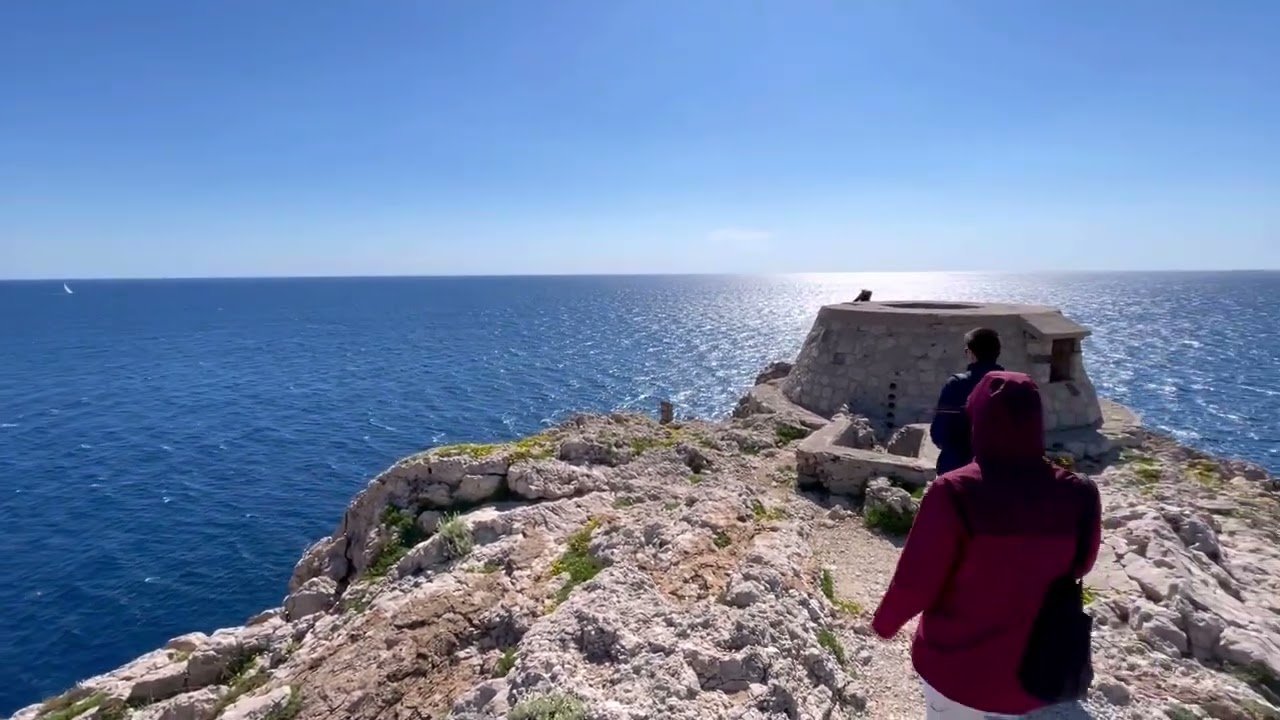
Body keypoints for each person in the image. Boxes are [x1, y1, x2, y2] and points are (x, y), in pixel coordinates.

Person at [870, 371, 1103, 719]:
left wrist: (884, 625)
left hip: (955, 669)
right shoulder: (1079, 492)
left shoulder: (954, 492)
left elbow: (917, 580)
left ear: (977, 418)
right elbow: (1082, 564)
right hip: (1031, 671)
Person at [929, 328, 1003, 474]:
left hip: (958, 467)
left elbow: (939, 431)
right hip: (997, 470)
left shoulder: (957, 384)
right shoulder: (1009, 385)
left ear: (971, 354)